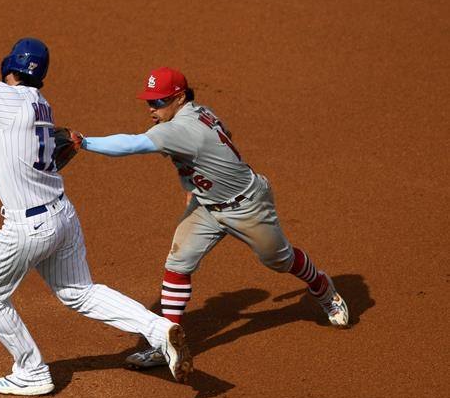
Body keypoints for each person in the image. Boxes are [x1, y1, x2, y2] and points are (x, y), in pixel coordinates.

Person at [0, 15, 192, 395]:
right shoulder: (41, 107)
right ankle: (159, 329)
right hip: (62, 217)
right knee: (79, 292)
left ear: (9, 68)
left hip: (27, 228)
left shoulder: (6, 96)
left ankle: (31, 371)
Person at [77, 67, 349, 369]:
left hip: (247, 206)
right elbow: (224, 138)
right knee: (177, 264)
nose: (151, 108)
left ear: (179, 98)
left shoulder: (179, 130)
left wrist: (84, 142)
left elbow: (132, 144)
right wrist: (198, 183)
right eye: (149, 101)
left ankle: (321, 286)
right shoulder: (198, 111)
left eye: (159, 101)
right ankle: (166, 344)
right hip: (207, 206)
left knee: (280, 261)